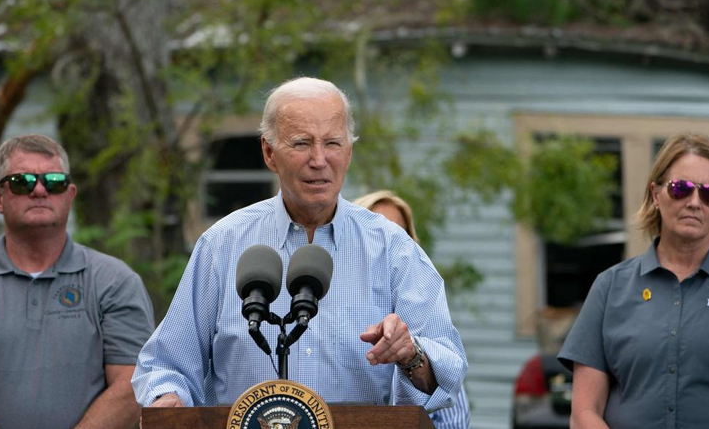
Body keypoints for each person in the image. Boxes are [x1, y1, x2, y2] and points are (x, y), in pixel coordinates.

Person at [132, 77, 467, 412]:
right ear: (269, 152)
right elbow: (166, 364)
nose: (319, 159)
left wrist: (411, 353)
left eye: (333, 143)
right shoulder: (222, 245)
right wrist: (168, 398)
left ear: (349, 153)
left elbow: (448, 374)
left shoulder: (394, 250)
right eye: (302, 143)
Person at [0, 134, 155, 429]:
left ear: (70, 195)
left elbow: (134, 387)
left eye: (54, 182)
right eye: (21, 182)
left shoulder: (115, 282)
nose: (39, 190)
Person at [558, 132, 709, 429]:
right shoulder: (609, 287)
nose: (695, 202)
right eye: (681, 188)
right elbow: (584, 413)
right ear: (656, 194)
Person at [353, 190, 472, 429]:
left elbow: (454, 418)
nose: (389, 241)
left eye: (400, 234)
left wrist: (414, 357)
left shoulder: (426, 325)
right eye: (377, 234)